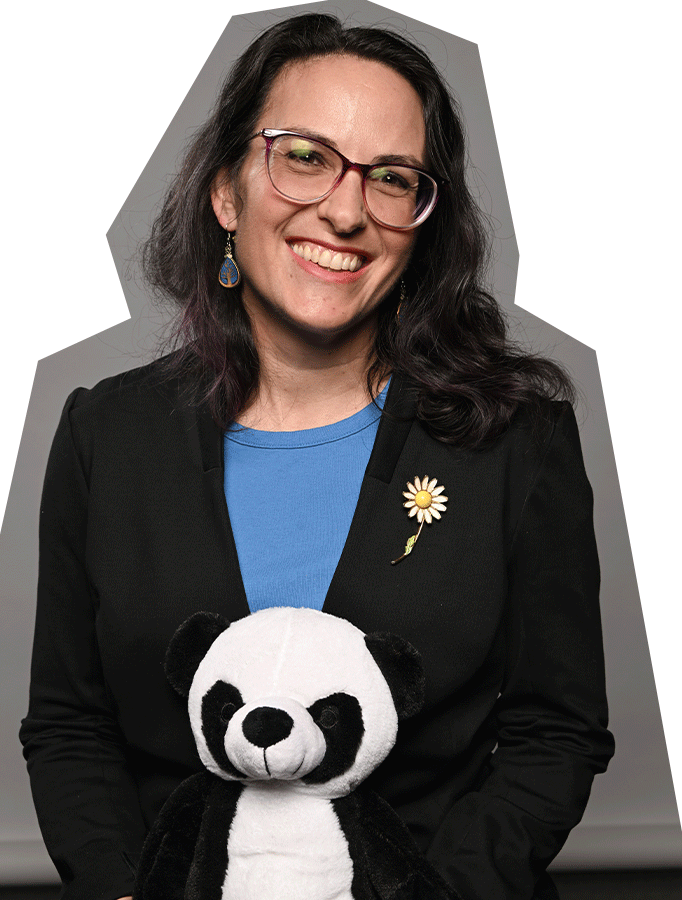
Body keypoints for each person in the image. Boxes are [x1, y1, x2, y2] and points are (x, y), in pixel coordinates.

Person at [19, 13, 615, 900]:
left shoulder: (514, 439)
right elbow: (71, 725)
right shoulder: (106, 435)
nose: (345, 209)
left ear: (421, 221)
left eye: (392, 178)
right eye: (304, 155)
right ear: (227, 189)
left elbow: (554, 729)